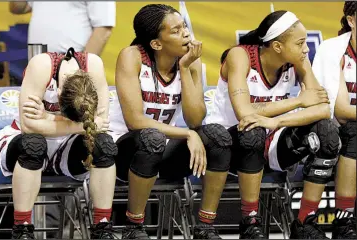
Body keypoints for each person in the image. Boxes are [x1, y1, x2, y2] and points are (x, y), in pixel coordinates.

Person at [206, 10, 341, 239]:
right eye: (300, 43)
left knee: (326, 132)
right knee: (253, 130)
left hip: (270, 141)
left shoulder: (298, 60)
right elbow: (244, 113)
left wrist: (275, 121)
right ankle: (250, 221)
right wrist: (298, 100)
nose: (306, 49)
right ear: (277, 47)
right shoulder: (239, 56)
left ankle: (305, 221)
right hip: (228, 145)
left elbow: (322, 109)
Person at [109, 4, 232, 239]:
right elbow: (135, 121)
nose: (186, 33)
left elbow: (195, 119)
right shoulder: (132, 56)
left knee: (217, 136)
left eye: (184, 26)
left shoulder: (190, 61)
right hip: (124, 150)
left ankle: (205, 226)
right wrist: (186, 134)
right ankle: (133, 226)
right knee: (151, 138)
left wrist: (185, 67)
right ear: (156, 43)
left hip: (162, 147)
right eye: (176, 30)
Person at [0, 48, 118, 239]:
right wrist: (78, 125)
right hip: (22, 138)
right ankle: (22, 228)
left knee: (104, 145)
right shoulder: (41, 66)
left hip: (66, 146)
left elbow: (100, 124)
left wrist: (47, 117)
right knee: (33, 144)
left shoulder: (94, 66)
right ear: (57, 93)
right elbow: (29, 126)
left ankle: (102, 226)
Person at [312, 2, 356, 239]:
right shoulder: (335, 51)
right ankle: (344, 219)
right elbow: (341, 111)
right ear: (351, 20)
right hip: (331, 129)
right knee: (354, 130)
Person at [9, 1, 115, 56]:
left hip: (70, 60)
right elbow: (18, 7)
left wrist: (81, 69)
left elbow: (103, 29)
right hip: (36, 58)